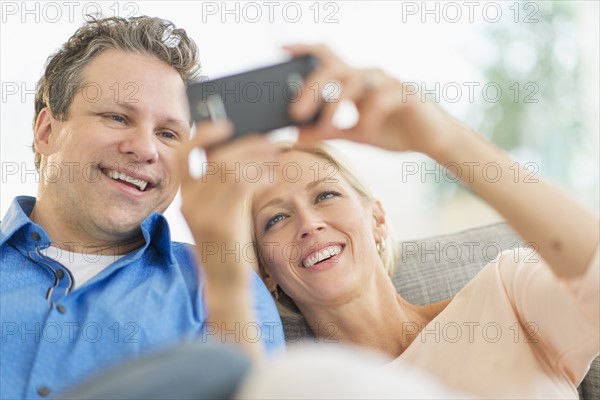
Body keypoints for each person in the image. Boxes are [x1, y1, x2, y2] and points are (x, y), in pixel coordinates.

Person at [179, 44, 599, 398]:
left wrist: (443, 141)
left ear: (377, 217)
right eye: (276, 220)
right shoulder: (302, 383)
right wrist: (225, 277)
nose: (308, 224)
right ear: (266, 271)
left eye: (326, 195)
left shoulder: (507, 293)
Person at [0, 16, 284, 399]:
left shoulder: (223, 289)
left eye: (168, 134)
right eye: (117, 117)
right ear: (47, 131)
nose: (146, 149)